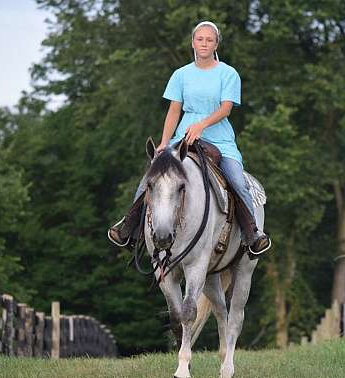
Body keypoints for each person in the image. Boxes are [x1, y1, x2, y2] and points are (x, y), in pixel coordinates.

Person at [108, 20, 271, 256]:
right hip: (182, 137)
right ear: (193, 42)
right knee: (152, 176)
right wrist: (165, 142)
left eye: (209, 40)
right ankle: (129, 228)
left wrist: (202, 125)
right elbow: (174, 110)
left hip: (221, 140)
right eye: (200, 39)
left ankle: (252, 233)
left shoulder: (228, 73)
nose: (204, 43)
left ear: (216, 44)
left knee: (236, 179)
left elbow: (226, 109)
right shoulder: (180, 74)